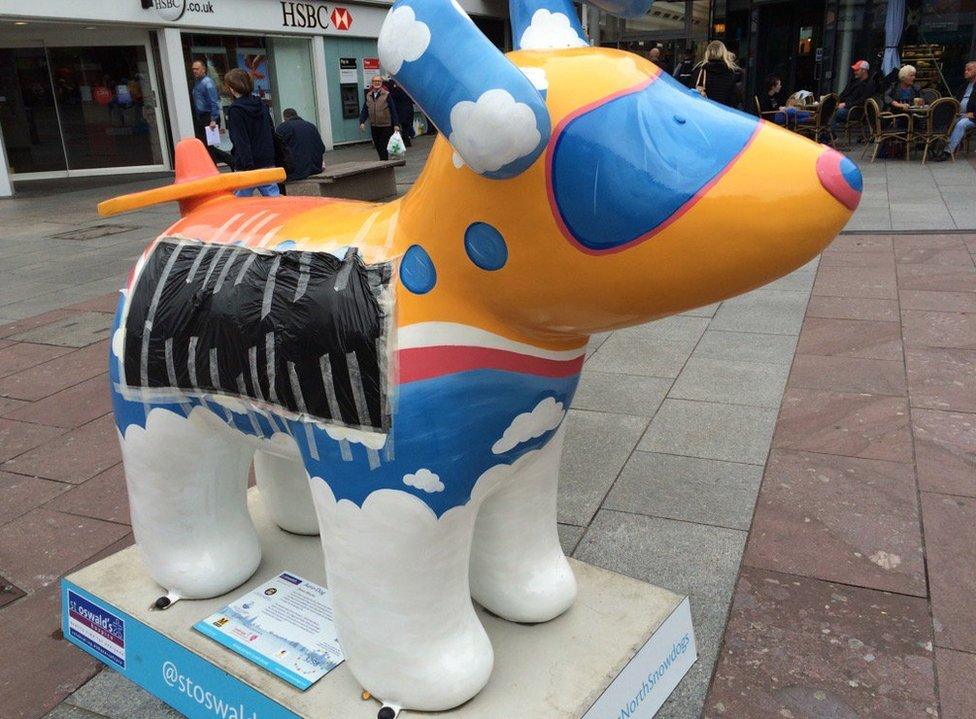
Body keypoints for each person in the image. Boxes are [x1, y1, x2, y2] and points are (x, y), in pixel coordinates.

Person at [224, 68, 280, 197]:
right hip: (266, 160)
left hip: (247, 164)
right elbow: (271, 131)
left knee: (240, 203)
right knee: (274, 199)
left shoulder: (235, 110)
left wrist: (247, 164)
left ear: (232, 88)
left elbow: (240, 140)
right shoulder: (261, 104)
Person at [190, 59, 233, 166]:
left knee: (208, 145)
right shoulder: (198, 83)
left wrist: (213, 120)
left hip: (209, 117)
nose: (194, 71)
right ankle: (228, 162)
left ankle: (230, 161)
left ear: (203, 69)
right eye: (193, 69)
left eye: (197, 69)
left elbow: (214, 101)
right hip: (202, 117)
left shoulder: (207, 83)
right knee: (205, 145)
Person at [934, 59, 976, 161]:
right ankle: (933, 146)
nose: (965, 71)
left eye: (969, 69)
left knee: (961, 124)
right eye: (965, 69)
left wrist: (974, 114)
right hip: (961, 114)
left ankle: (947, 152)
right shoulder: (964, 85)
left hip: (973, 117)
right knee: (944, 120)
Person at [276, 108, 325, 181]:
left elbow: (278, 150)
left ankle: (280, 192)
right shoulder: (311, 126)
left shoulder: (283, 127)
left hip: (296, 171)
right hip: (316, 168)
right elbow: (322, 148)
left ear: (285, 117)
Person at [359, 75, 400, 161]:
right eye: (375, 81)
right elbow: (365, 109)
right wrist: (362, 121)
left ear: (381, 83)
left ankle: (384, 161)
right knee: (377, 145)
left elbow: (393, 110)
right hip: (374, 125)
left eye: (379, 81)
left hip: (385, 125)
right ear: (372, 83)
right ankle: (383, 160)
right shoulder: (369, 95)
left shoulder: (386, 94)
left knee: (383, 144)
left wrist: (396, 124)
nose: (377, 83)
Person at [694, 40, 739, 107]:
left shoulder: (700, 70)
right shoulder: (730, 72)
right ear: (724, 53)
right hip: (723, 111)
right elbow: (734, 98)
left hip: (705, 110)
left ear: (707, 53)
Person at [833, 60, 876, 130]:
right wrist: (835, 101)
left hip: (856, 111)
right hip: (845, 107)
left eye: (857, 70)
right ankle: (829, 133)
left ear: (864, 70)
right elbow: (843, 94)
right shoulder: (853, 82)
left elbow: (862, 101)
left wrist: (846, 104)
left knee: (836, 113)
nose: (854, 72)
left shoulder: (869, 85)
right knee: (828, 109)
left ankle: (830, 135)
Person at [387, 79, 415, 147]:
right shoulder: (406, 90)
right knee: (406, 126)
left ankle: (402, 141)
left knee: (399, 126)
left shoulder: (394, 91)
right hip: (408, 110)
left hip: (399, 111)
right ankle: (408, 139)